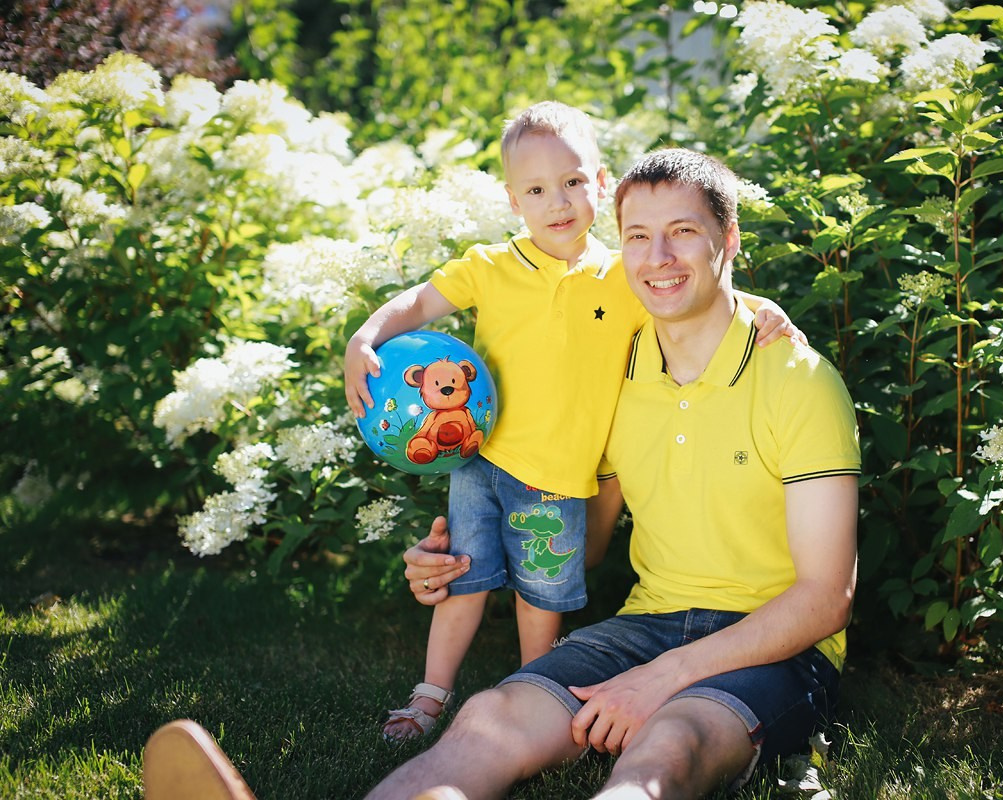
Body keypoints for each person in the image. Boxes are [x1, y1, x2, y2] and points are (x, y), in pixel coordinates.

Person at [143, 147, 859, 800]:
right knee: (487, 719)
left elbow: (825, 600)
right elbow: (582, 549)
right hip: (645, 624)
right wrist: (457, 562)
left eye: (683, 232)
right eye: (638, 236)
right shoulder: (620, 370)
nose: (658, 257)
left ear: (728, 241)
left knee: (668, 744)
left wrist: (659, 682)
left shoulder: (799, 381)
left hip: (777, 646)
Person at [343, 102, 797, 742]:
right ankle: (429, 695)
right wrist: (366, 336)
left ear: (602, 182)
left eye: (573, 182)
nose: (557, 202)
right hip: (483, 460)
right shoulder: (490, 266)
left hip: (563, 478)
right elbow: (420, 301)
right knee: (463, 580)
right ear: (512, 200)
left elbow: (698, 296)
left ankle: (536, 699)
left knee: (540, 599)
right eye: (536, 189)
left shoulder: (623, 277)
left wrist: (765, 307)